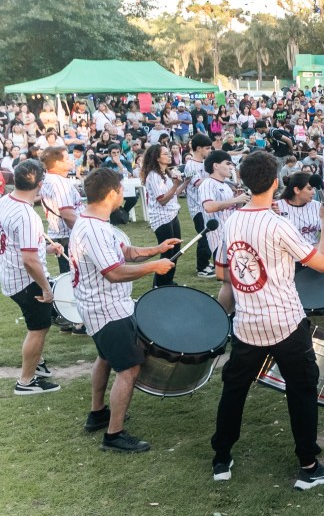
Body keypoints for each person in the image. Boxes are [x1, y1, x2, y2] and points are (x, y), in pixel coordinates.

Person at [211, 151, 324, 490]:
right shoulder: (278, 224)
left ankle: (221, 457)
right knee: (301, 390)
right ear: (275, 182)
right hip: (285, 322)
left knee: (234, 390)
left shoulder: (233, 220)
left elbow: (223, 272)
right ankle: (308, 466)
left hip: (247, 323)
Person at [71, 168, 179, 451]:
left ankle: (97, 414)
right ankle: (114, 434)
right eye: (120, 189)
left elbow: (124, 252)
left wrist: (157, 249)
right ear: (111, 194)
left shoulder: (96, 222)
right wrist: (154, 267)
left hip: (102, 307)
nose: (123, 194)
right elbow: (114, 272)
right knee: (129, 369)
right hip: (107, 309)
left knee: (104, 358)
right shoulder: (93, 229)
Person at [1, 160, 64, 394]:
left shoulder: (5, 201)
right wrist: (46, 288)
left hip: (10, 275)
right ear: (39, 184)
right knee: (38, 328)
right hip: (25, 280)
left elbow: (18, 245)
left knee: (37, 325)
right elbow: (29, 261)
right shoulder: (27, 216)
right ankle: (25, 382)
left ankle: (37, 363)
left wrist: (45, 248)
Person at [141, 144, 186, 287]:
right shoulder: (153, 176)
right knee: (168, 253)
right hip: (161, 218)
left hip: (172, 215)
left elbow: (172, 196)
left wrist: (184, 184)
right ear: (157, 158)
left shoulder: (165, 174)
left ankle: (167, 282)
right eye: (166, 154)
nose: (170, 155)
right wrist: (175, 185)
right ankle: (160, 285)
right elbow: (162, 200)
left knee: (175, 251)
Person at [39, 146, 82, 276]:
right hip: (69, 236)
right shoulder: (60, 182)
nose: (71, 160)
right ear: (58, 163)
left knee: (70, 276)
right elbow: (68, 215)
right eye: (67, 158)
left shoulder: (48, 178)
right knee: (75, 277)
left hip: (61, 235)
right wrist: (85, 231)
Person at [200, 150, 249, 259]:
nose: (231, 167)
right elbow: (209, 207)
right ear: (216, 165)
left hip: (231, 233)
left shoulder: (226, 185)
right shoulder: (208, 183)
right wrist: (235, 200)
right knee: (224, 274)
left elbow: (233, 209)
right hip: (219, 237)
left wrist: (239, 201)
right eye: (227, 163)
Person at [183, 134, 215, 278]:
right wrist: (213, 176)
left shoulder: (204, 163)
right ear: (198, 148)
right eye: (207, 148)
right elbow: (196, 183)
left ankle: (206, 263)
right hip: (197, 207)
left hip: (206, 206)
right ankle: (201, 267)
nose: (209, 150)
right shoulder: (191, 164)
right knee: (203, 237)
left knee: (209, 236)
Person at [276, 172, 322, 246]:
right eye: (309, 188)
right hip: (289, 254)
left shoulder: (317, 206)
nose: (313, 192)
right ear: (297, 190)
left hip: (314, 252)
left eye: (313, 188)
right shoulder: (278, 207)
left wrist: (318, 249)